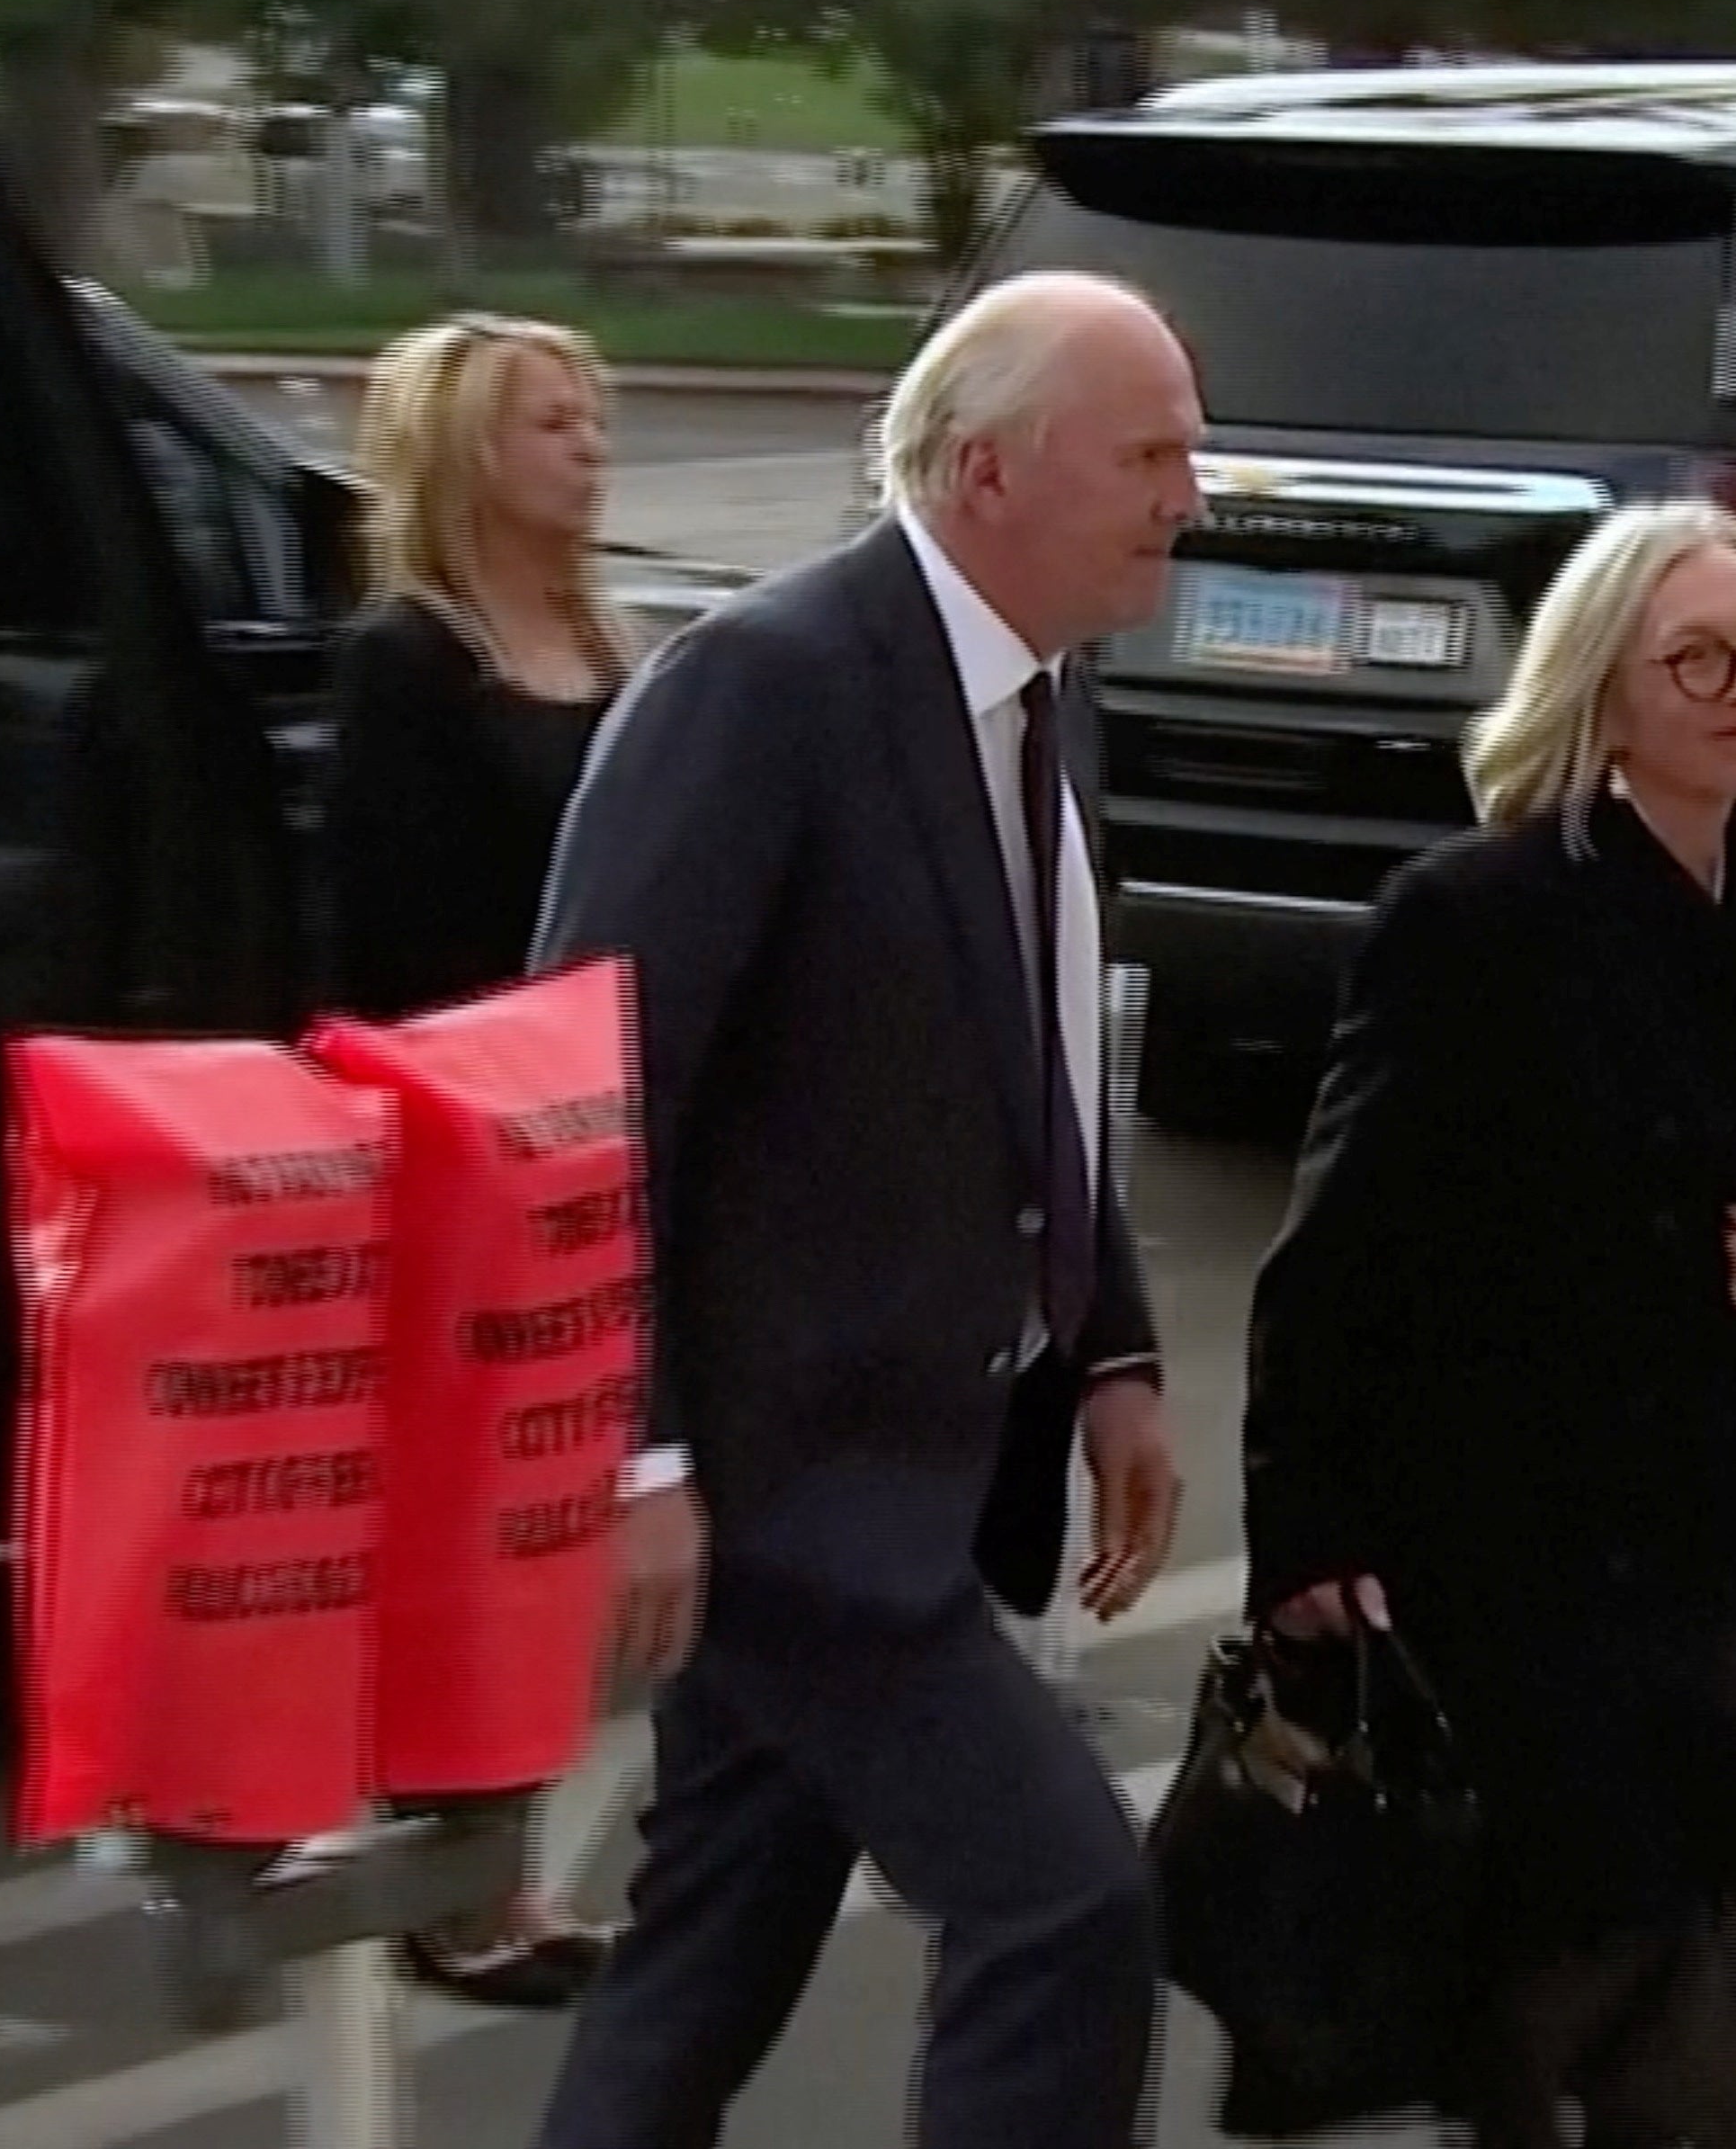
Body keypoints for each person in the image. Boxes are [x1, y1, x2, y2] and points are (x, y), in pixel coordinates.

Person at [526, 271, 1199, 2149]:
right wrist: (633, 1460)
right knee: (1064, 1901)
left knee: (708, 1951)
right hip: (790, 1481)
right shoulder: (766, 687)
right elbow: (589, 1092)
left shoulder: (1043, 702)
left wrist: (1113, 1344)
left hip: (923, 1451)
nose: (1189, 496)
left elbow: (1033, 1059)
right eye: (1147, 454)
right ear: (987, 471)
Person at [1242, 501, 1736, 2149]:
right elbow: (1337, 1249)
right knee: (1602, 1967)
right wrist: (1305, 1525)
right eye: (1700, 658)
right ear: (1607, 693)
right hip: (1516, 1541)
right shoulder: (1476, 919)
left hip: (1714, 1521)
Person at [318, 312, 634, 2010]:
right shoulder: (409, 658)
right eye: (549, 424)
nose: (588, 448)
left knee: (562, 1520)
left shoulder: (604, 630)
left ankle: (503, 1866)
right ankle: (459, 1879)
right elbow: (387, 940)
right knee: (467, 1522)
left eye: (593, 419)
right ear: (465, 454)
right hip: (464, 1133)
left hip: (601, 1123)